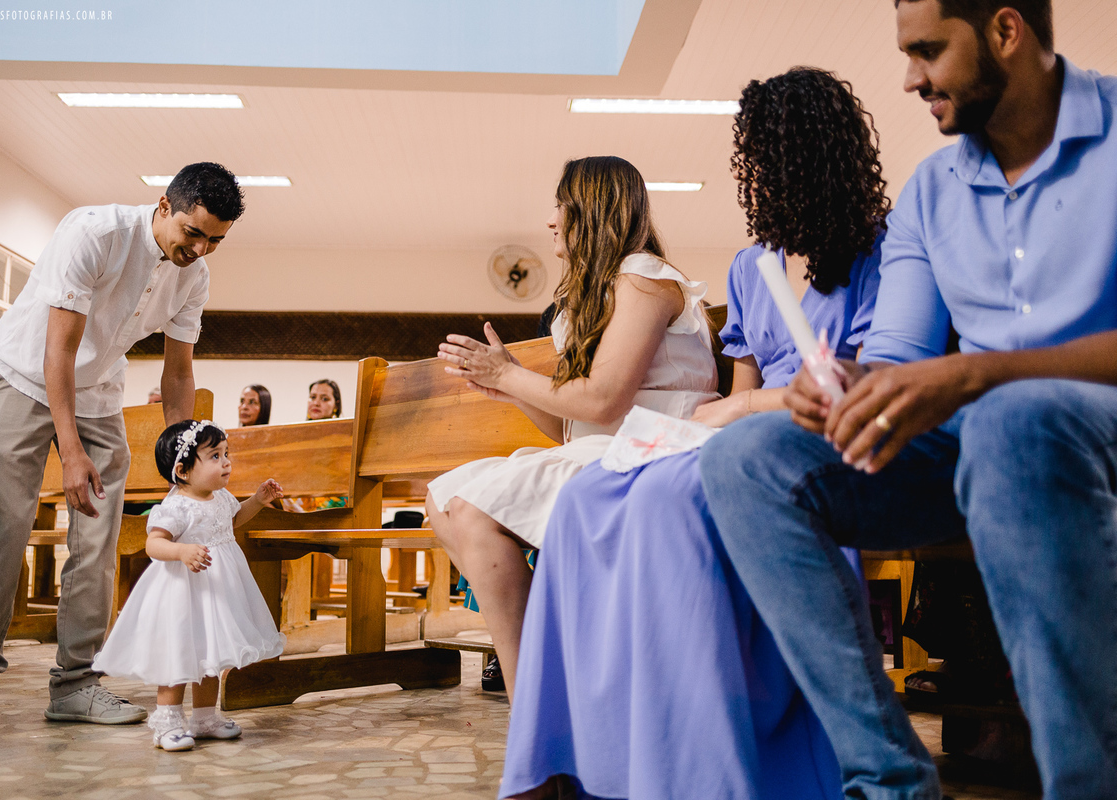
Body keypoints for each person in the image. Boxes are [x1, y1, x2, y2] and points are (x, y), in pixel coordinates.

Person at [701, 2, 1117, 797]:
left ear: (1005, 31)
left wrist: (979, 377)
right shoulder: (932, 192)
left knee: (1011, 421)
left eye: (928, 51)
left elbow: (966, 383)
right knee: (746, 459)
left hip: (1077, 430)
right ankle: (888, 780)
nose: (910, 77)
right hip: (976, 443)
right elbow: (900, 356)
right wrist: (854, 392)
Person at [502, 68, 887, 800]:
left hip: (828, 430)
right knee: (592, 498)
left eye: (784, 160)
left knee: (671, 502)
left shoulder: (881, 250)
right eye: (759, 161)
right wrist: (728, 418)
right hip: (739, 434)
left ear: (832, 158)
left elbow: (858, 376)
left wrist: (737, 416)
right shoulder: (754, 264)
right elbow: (737, 390)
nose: (767, 178)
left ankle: (708, 759)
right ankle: (590, 747)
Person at [0, 162, 245, 731]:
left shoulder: (194, 276)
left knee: (100, 537)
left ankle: (76, 684)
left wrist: (189, 462)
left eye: (215, 240)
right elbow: (58, 352)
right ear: (163, 206)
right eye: (193, 233)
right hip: (26, 377)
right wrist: (71, 451)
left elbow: (179, 376)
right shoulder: (94, 233)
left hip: (100, 393)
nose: (201, 248)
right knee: (4, 525)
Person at [425, 156, 719, 703]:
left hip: (659, 445)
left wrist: (511, 373)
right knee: (442, 502)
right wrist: (505, 385)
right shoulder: (583, 299)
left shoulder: (646, 279)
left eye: (560, 205)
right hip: (605, 445)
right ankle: (550, 663)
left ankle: (531, 700)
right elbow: (569, 421)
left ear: (590, 208)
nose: (551, 220)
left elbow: (605, 402)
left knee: (475, 510)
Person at [93, 420, 286, 751]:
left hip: (218, 590)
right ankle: (167, 720)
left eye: (226, 453)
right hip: (183, 592)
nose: (225, 462)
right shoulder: (176, 506)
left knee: (211, 651)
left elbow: (234, 519)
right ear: (182, 470)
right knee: (179, 652)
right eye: (214, 456)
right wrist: (181, 551)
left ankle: (205, 717)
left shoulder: (222, 497)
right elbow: (154, 544)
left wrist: (258, 499)